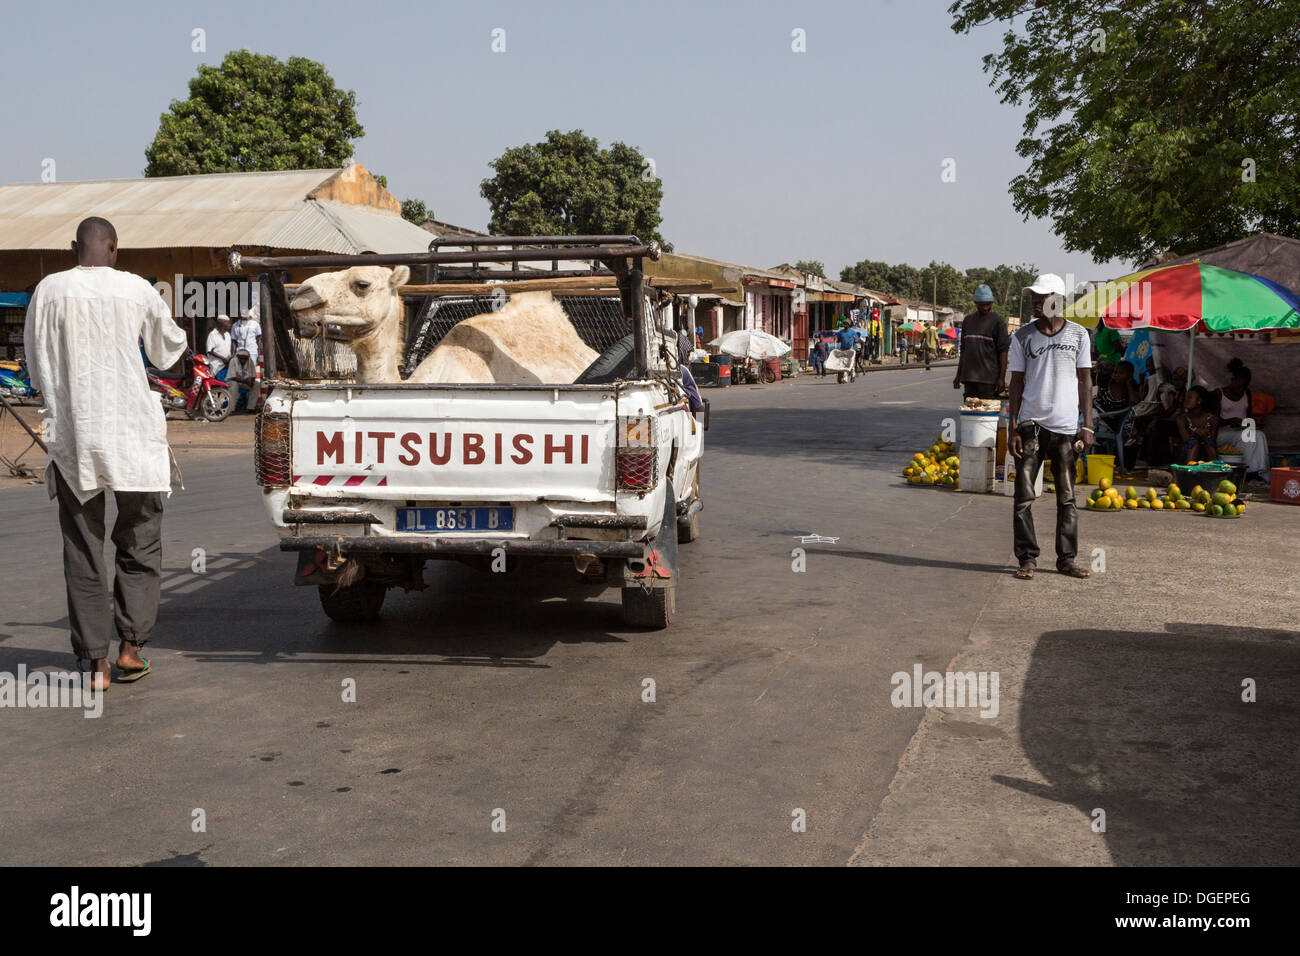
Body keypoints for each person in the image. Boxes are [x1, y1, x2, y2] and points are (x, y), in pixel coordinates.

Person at [23, 216, 187, 689]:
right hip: (133, 438)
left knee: (83, 549)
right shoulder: (137, 289)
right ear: (114, 249)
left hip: (75, 440)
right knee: (139, 542)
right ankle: (131, 650)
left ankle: (96, 664)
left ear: (75, 248)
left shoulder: (48, 291)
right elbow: (168, 352)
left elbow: (36, 367)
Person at [1008, 273, 1093, 581]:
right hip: (1031, 427)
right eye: (1033, 297)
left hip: (1067, 429)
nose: (1035, 302)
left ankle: (1066, 559)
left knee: (1067, 497)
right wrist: (1013, 426)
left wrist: (1089, 425)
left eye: (1041, 298)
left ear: (1057, 300)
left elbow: (1085, 380)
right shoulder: (1021, 337)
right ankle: (1027, 558)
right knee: (1023, 497)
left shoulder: (1080, 335)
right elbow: (1016, 383)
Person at [953, 284, 1009, 399]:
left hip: (989, 379)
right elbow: (963, 351)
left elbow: (1003, 352)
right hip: (969, 378)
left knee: (986, 413)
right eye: (981, 305)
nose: (985, 308)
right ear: (976, 303)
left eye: (988, 304)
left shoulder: (998, 322)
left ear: (991, 303)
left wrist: (1001, 378)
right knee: (970, 411)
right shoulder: (968, 321)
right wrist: (958, 375)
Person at [1216, 357, 1270, 476]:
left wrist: (1252, 423)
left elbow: (1249, 416)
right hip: (1221, 435)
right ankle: (1252, 471)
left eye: (1243, 387)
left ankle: (1260, 471)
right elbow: (1211, 420)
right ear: (1233, 380)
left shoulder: (1247, 393)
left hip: (1240, 432)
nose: (1241, 390)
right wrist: (1230, 421)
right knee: (1249, 438)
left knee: (1260, 435)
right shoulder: (1219, 394)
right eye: (1239, 386)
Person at [1178, 385, 1218, 463]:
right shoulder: (1182, 419)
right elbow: (1186, 440)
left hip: (1205, 453)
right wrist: (1196, 432)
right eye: (1186, 398)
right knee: (1193, 443)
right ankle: (1190, 471)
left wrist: (1204, 435)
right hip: (1187, 454)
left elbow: (1213, 441)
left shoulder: (1212, 419)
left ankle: (1216, 471)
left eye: (1189, 398)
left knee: (1209, 444)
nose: (1186, 400)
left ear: (1199, 401)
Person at [206, 314, 233, 380]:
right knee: (216, 382)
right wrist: (222, 358)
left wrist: (231, 356)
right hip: (216, 365)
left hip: (227, 364)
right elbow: (210, 351)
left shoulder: (227, 334)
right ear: (221, 323)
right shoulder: (212, 335)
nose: (230, 325)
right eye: (228, 323)